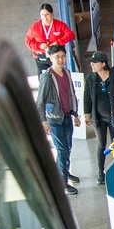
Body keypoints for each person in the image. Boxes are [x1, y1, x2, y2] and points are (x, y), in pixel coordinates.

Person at [37, 45, 82, 193]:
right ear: (51, 58)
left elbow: (71, 94)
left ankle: (65, 172)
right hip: (54, 119)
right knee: (62, 150)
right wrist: (44, 121)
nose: (61, 60)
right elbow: (40, 102)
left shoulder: (67, 73)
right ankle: (61, 182)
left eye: (63, 56)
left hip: (67, 115)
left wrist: (75, 114)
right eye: (57, 57)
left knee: (68, 147)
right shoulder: (47, 77)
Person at [82, 52, 114, 184]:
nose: (91, 65)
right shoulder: (91, 78)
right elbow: (87, 97)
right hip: (98, 118)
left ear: (103, 64)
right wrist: (87, 114)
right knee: (101, 144)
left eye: (94, 62)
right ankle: (100, 173)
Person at [25, 3, 76, 73]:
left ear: (52, 14)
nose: (45, 17)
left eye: (47, 14)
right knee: (44, 79)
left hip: (57, 57)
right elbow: (28, 41)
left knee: (58, 77)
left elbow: (71, 35)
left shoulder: (60, 25)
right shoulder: (34, 27)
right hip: (41, 57)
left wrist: (59, 42)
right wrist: (39, 45)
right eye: (42, 15)